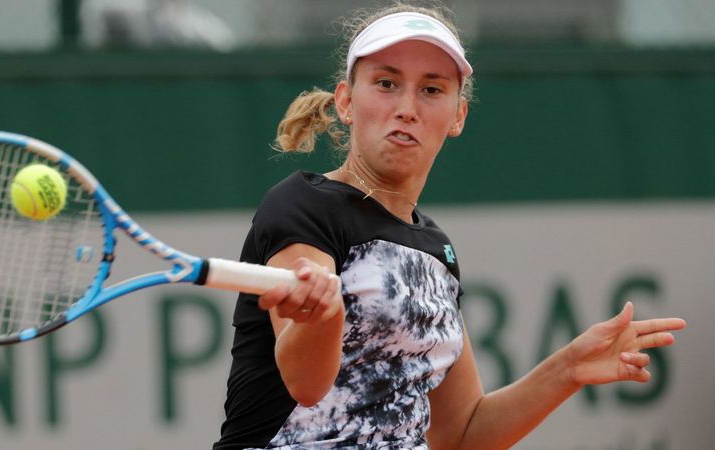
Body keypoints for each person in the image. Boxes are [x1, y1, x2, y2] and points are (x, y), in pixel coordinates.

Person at [213, 2, 687, 449]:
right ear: (345, 101)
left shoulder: (435, 250)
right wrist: (324, 315)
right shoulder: (303, 205)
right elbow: (305, 384)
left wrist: (568, 369)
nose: (407, 107)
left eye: (432, 89)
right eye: (386, 83)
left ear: (457, 115)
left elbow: (461, 434)